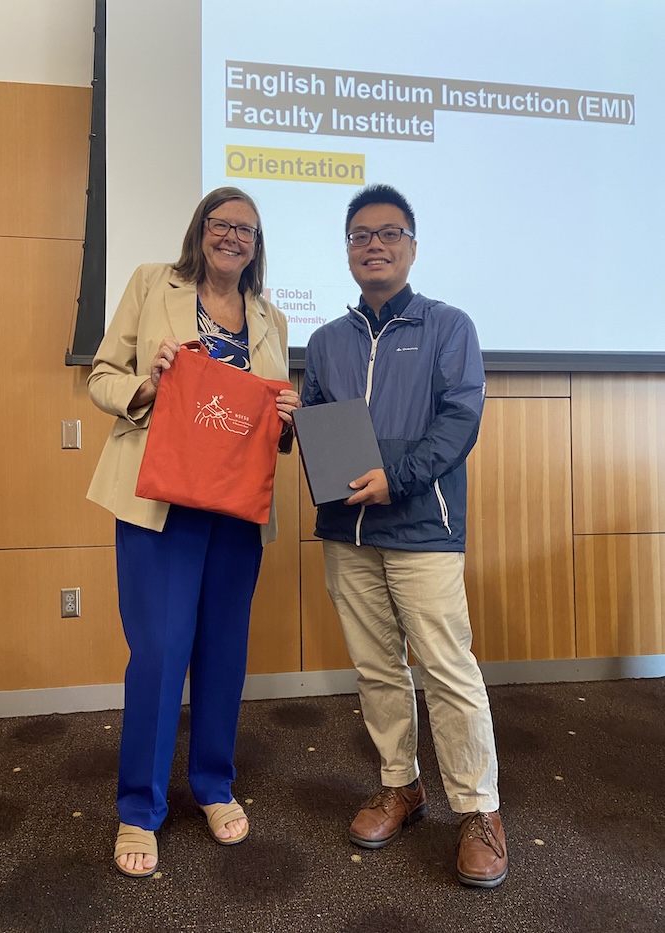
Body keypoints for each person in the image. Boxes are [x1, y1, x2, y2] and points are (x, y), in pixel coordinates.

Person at [87, 186, 300, 877]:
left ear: (256, 244)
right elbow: (102, 376)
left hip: (236, 511)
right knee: (157, 652)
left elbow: (271, 420)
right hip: (161, 502)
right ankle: (139, 807)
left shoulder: (272, 317)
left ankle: (212, 784)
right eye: (221, 223)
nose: (232, 235)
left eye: (246, 228)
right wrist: (148, 385)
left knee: (222, 652)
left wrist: (290, 418)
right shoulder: (154, 284)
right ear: (201, 230)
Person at [301, 184, 508, 888]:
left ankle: (480, 809)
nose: (374, 245)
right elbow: (318, 429)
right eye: (360, 235)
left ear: (412, 247)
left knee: (448, 669)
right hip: (347, 532)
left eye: (389, 233)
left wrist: (397, 476)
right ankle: (402, 785)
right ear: (348, 251)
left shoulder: (449, 326)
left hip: (423, 527)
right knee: (376, 668)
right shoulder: (326, 340)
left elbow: (458, 423)